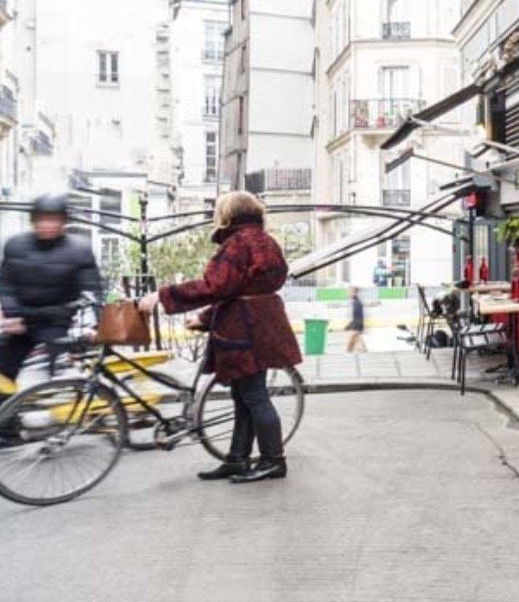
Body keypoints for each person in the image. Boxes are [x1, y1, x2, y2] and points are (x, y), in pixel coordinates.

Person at [138, 190, 302, 484]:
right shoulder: (265, 240)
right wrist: (204, 318)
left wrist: (162, 295)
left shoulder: (237, 243)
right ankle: (237, 458)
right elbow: (240, 290)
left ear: (227, 214)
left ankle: (273, 461)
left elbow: (215, 286)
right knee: (245, 397)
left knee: (254, 396)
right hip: (262, 324)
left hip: (245, 329)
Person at [0, 193, 103, 392]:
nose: (48, 225)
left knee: (63, 378)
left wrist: (97, 324)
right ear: (34, 221)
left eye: (54, 219)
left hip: (58, 324)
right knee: (3, 371)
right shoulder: (15, 246)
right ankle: (9, 410)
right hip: (22, 321)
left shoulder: (79, 250)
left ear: (63, 222)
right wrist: (12, 315)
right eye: (43, 219)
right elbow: (6, 284)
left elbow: (92, 290)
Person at [343, 285, 367, 353]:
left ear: (354, 292)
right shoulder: (355, 302)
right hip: (356, 326)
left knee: (348, 347)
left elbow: (358, 317)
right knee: (357, 346)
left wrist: (351, 326)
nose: (347, 293)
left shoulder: (357, 303)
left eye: (349, 291)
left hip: (356, 326)